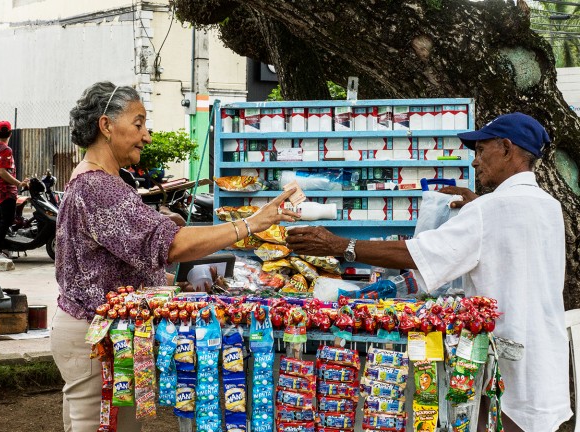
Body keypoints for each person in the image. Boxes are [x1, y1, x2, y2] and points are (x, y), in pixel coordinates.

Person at [286, 112, 570, 432]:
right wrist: (475, 204)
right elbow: (509, 245)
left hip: (507, 366)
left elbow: (417, 255)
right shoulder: (548, 205)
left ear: (506, 148)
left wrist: (340, 245)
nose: (475, 162)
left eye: (481, 150)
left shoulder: (488, 211)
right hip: (545, 361)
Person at [51, 81, 299, 432]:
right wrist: (251, 224)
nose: (146, 136)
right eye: (138, 124)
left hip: (94, 332)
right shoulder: (98, 186)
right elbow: (169, 244)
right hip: (94, 336)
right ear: (106, 126)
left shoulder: (101, 180)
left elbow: (107, 267)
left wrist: (177, 283)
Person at [0, 120, 27, 259]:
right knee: (7, 220)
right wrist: (19, 183)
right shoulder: (5, 149)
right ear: (10, 133)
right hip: (5, 190)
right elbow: (2, 172)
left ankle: (2, 248)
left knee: (5, 220)